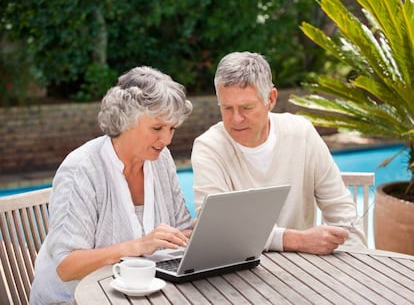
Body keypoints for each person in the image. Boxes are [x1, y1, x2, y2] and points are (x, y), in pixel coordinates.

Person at [30, 66, 194, 304]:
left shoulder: (160, 159)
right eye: (157, 128)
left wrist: (203, 232)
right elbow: (66, 267)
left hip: (137, 297)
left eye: (172, 129)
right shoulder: (81, 169)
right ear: (126, 120)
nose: (167, 139)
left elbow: (179, 232)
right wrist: (138, 245)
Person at [191, 51, 367, 255]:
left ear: (271, 99)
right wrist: (297, 240)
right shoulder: (209, 147)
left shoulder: (301, 133)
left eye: (246, 107)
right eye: (227, 108)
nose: (236, 118)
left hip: (305, 270)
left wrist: (358, 263)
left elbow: (342, 213)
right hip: (238, 275)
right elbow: (216, 229)